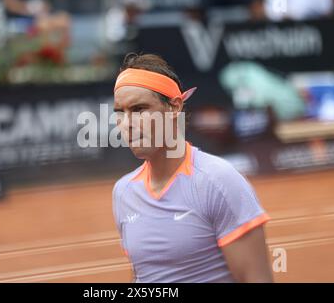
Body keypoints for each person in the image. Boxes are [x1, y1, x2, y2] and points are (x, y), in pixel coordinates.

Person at [112, 53, 273, 283]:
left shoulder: (219, 181)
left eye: (139, 109)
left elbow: (256, 278)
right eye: (120, 112)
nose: (127, 124)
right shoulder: (123, 193)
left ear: (174, 107)